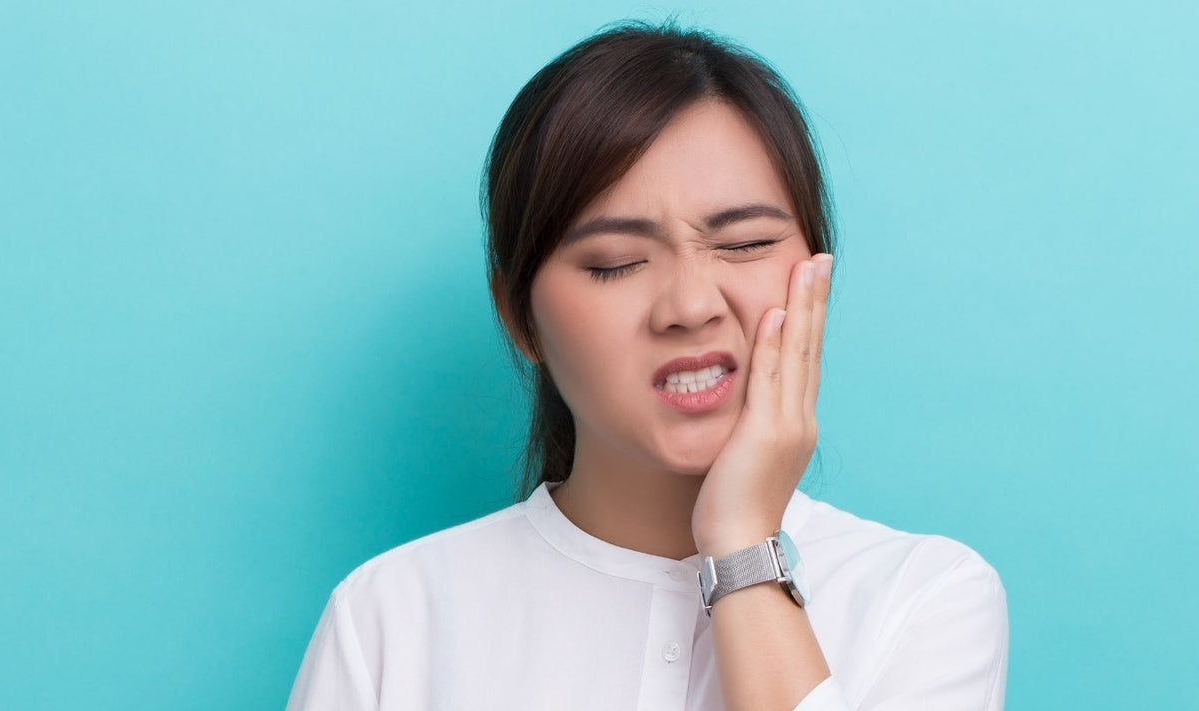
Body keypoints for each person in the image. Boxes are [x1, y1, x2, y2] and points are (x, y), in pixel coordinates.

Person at [287, 20, 1008, 711]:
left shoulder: (924, 597)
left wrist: (743, 543)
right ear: (518, 316)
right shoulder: (388, 618)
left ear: (817, 270)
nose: (691, 305)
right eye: (615, 263)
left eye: (746, 243)